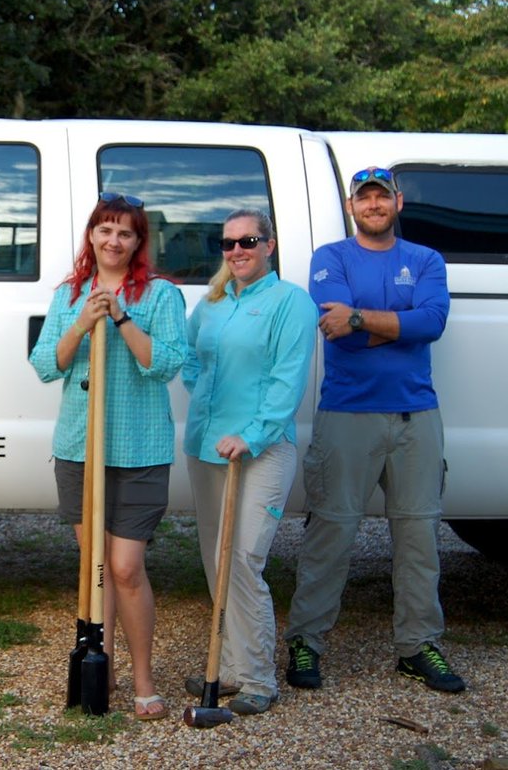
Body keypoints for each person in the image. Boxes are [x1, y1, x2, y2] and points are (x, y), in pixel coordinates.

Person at [284, 167, 464, 693]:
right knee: (331, 533)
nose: (373, 205)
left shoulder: (425, 259)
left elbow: (433, 323)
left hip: (416, 417)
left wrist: (362, 319)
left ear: (398, 202)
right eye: (364, 198)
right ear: (351, 206)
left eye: (381, 196)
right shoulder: (331, 258)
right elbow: (335, 332)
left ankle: (417, 646)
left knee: (418, 536)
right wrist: (398, 325)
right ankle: (305, 641)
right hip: (347, 415)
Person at [29, 192, 187, 721]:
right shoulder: (70, 292)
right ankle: (103, 661)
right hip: (80, 445)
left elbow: (163, 364)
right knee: (93, 563)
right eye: (105, 230)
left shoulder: (160, 296)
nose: (113, 240)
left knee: (124, 567)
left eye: (125, 233)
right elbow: (46, 365)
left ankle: (144, 678)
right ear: (91, 236)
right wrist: (81, 322)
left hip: (139, 448)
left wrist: (120, 317)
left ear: (139, 242)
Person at [181, 209, 317, 715]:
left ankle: (259, 679)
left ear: (269, 245)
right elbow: (190, 356)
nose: (237, 251)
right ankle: (231, 667)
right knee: (216, 560)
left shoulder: (291, 303)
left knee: (243, 559)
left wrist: (250, 433)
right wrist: (205, 400)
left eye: (248, 241)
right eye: (228, 243)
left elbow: (288, 381)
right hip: (206, 447)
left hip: (261, 451)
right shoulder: (212, 302)